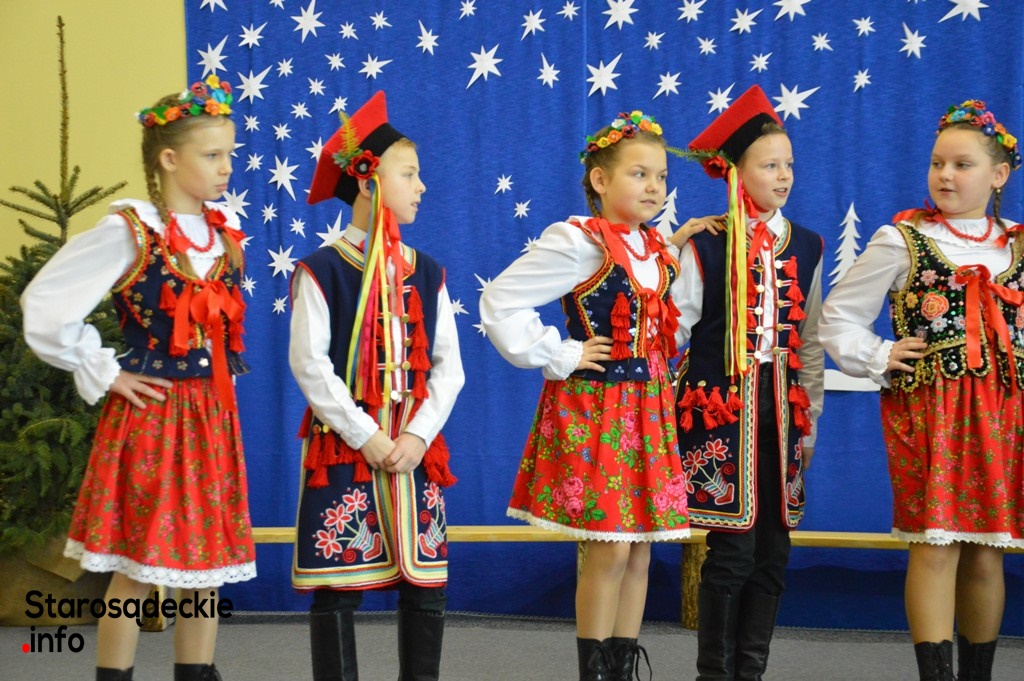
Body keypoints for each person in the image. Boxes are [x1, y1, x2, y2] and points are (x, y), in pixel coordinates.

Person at [21, 76, 253, 681]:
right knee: (136, 565)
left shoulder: (223, 233)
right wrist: (106, 371)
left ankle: (196, 672)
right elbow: (45, 306)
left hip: (210, 414)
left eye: (229, 154)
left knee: (204, 565)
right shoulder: (131, 230)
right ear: (169, 159)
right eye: (212, 155)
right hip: (153, 415)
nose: (226, 167)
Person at [480, 110, 694, 681]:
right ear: (601, 180)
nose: (654, 187)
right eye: (639, 174)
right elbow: (500, 300)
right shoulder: (579, 241)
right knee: (611, 546)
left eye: (661, 177)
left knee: (642, 545)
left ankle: (620, 666)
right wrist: (562, 352)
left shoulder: (655, 247)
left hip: (648, 408)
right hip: (601, 407)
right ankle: (595, 670)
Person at [820, 99, 1023, 681]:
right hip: (931, 410)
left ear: (998, 174)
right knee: (935, 545)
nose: (945, 176)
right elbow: (838, 317)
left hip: (1004, 412)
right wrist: (880, 355)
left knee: (987, 550)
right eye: (937, 163)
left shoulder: (1017, 244)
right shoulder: (902, 238)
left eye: (962, 165)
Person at [289, 90, 465, 681]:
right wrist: (365, 434)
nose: (421, 187)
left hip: (414, 448)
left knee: (425, 582)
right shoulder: (323, 269)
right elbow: (310, 364)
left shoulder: (428, 272)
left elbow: (448, 368)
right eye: (408, 174)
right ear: (368, 182)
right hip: (347, 445)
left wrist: (417, 435)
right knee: (337, 584)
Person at [671, 84, 824, 681]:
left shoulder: (806, 244)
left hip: (781, 417)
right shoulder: (706, 244)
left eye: (788, 165)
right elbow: (671, 329)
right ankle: (715, 672)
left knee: (774, 550)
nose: (783, 176)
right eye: (769, 166)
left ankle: (750, 671)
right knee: (731, 550)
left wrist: (810, 425)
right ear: (736, 173)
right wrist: (669, 249)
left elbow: (809, 343)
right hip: (721, 414)